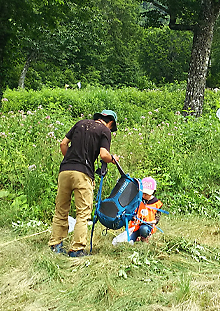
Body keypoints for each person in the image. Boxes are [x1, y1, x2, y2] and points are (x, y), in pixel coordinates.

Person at [49, 109, 119, 257]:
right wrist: (114, 159)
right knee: (83, 213)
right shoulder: (104, 131)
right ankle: (76, 249)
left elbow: (63, 143)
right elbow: (104, 155)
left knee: (61, 209)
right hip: (83, 174)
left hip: (65, 171)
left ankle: (55, 244)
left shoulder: (80, 124)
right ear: (110, 122)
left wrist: (69, 159)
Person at [128, 176, 164, 242]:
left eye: (146, 194)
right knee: (128, 239)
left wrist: (153, 222)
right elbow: (131, 212)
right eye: (143, 193)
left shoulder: (156, 203)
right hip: (135, 226)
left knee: (144, 229)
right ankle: (135, 237)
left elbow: (157, 217)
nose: (144, 196)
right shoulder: (137, 200)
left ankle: (145, 237)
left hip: (146, 227)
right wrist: (133, 217)